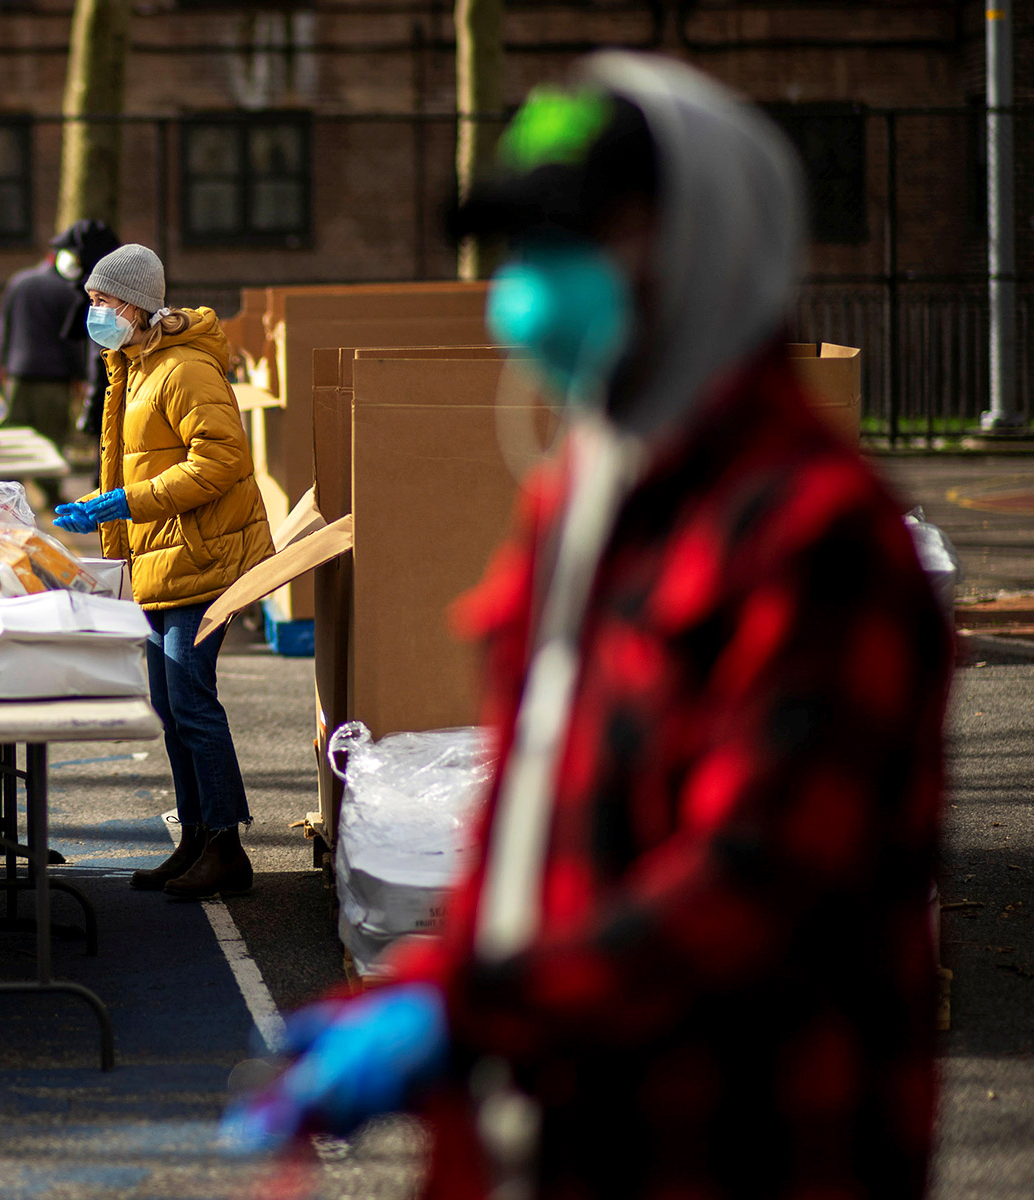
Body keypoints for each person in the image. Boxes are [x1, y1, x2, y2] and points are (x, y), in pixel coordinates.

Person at [223, 55, 951, 1200]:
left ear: (701, 251)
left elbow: (755, 886)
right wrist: (424, 989)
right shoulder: (584, 497)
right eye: (519, 245)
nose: (527, 284)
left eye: (574, 242)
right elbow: (539, 822)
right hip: (563, 1132)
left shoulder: (815, 536)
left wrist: (464, 1014)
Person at [52, 244, 273, 899]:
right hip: (163, 559)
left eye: (103, 301)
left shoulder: (183, 368)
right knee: (171, 709)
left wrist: (128, 501)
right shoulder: (134, 365)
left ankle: (226, 847)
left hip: (201, 558)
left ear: (137, 304)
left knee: (192, 703)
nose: (94, 313)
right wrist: (106, 508)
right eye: (91, 301)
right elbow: (146, 461)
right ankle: (196, 837)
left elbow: (220, 461)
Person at [0, 243, 85, 505]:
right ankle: (51, 492)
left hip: (18, 373)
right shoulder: (67, 290)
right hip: (54, 377)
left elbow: (4, 326)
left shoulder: (19, 282)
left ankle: (8, 491)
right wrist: (78, 375)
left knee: (14, 434)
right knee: (51, 436)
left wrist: (2, 363)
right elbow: (72, 341)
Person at [51, 218, 122, 438]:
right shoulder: (114, 288)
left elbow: (102, 359)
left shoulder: (106, 299)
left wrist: (94, 410)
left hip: (117, 409)